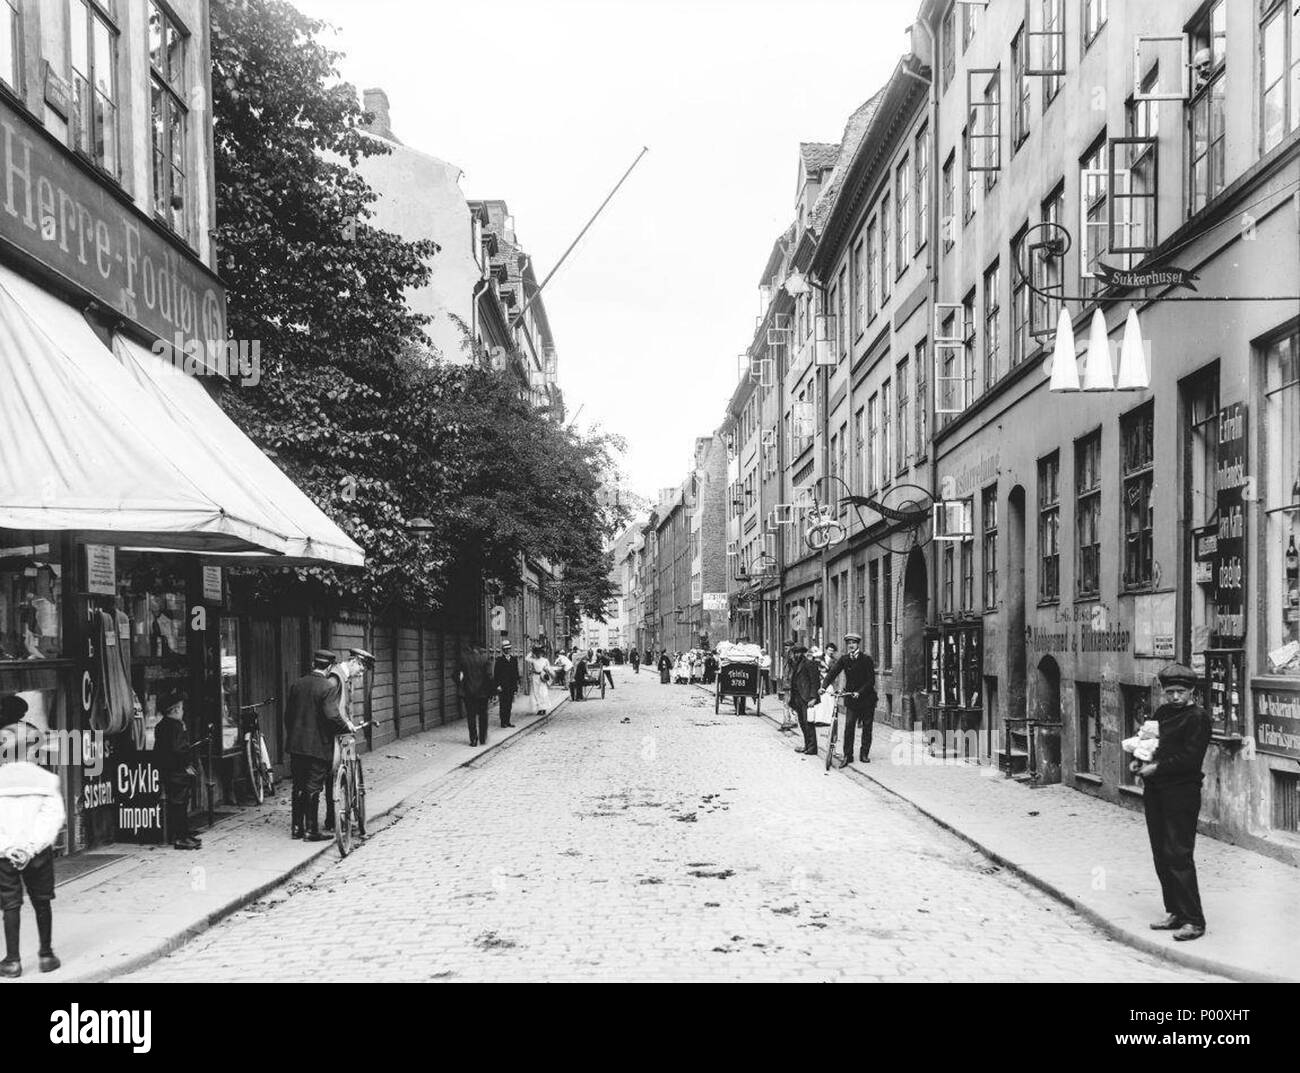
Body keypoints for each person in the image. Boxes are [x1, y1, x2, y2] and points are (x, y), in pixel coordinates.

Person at [1136, 664, 1213, 942]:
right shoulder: (1162, 713)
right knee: (1161, 853)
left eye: (1181, 691)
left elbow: (1190, 760)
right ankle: (1175, 912)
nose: (1176, 697)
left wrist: (1156, 768)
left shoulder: (1198, 718)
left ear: (1192, 690)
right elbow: (1150, 744)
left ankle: (1194, 920)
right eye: (1170, 692)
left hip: (1182, 792)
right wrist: (1139, 758)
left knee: (1178, 853)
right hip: (1156, 792)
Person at [0, 750, 64, 977]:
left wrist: (9, 848)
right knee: (42, 901)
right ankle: (46, 955)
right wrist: (29, 849)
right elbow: (53, 818)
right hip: (37, 853)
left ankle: (12, 961)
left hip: (5, 855)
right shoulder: (46, 779)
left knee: (10, 904)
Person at [284, 650, 353, 840]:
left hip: (297, 746)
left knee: (298, 785)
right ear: (329, 667)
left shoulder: (297, 684)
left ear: (314, 664)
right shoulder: (327, 687)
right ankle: (311, 830)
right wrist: (345, 726)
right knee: (314, 786)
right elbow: (331, 715)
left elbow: (288, 716)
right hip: (318, 746)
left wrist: (294, 736)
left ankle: (297, 828)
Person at [324, 648, 374, 833]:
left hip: (344, 733)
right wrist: (344, 724)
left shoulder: (345, 678)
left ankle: (339, 816)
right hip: (335, 735)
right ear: (354, 662)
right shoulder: (336, 678)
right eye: (360, 669)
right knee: (334, 773)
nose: (360, 674)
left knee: (342, 772)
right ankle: (333, 818)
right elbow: (332, 708)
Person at [153, 689, 202, 850]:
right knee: (180, 804)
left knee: (178, 804)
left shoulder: (161, 726)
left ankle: (183, 834)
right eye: (180, 708)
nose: (183, 711)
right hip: (177, 771)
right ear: (174, 710)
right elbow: (179, 748)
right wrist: (187, 765)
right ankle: (181, 837)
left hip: (167, 769)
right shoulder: (176, 726)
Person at [820, 633, 878, 767]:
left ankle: (864, 754)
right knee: (849, 727)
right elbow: (832, 672)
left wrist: (860, 692)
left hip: (867, 698)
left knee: (867, 727)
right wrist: (823, 687)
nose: (851, 645)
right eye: (849, 643)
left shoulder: (866, 659)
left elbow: (871, 680)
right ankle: (848, 756)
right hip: (851, 699)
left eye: (853, 643)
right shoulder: (844, 659)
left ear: (858, 644)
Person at [787, 644, 822, 755]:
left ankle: (812, 748)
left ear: (802, 653)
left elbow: (815, 682)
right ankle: (807, 745)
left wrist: (813, 698)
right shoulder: (795, 664)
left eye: (798, 653)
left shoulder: (809, 664)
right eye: (795, 653)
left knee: (808, 723)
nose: (796, 655)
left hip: (806, 698)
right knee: (802, 723)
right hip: (798, 697)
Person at [458, 641, 493, 746]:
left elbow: (456, 674)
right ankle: (483, 738)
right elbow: (489, 676)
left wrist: (462, 684)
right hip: (482, 692)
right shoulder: (486, 658)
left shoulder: (464, 658)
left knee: (471, 716)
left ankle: (473, 740)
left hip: (468, 692)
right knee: (483, 715)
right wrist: (490, 691)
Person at [494, 640, 521, 728]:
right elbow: (496, 674)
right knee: (503, 704)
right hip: (503, 686)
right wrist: (497, 685)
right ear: (503, 650)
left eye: (509, 649)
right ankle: (503, 722)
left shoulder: (514, 660)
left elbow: (516, 673)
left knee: (509, 704)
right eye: (506, 649)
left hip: (511, 685)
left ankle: (508, 721)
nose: (508, 650)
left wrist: (517, 685)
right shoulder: (499, 660)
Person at [529, 647, 554, 716]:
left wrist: (548, 672)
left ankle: (544, 708)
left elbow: (549, 668)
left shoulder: (545, 660)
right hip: (535, 677)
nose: (538, 654)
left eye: (540, 653)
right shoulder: (533, 660)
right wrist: (532, 651)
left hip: (542, 677)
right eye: (537, 653)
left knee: (543, 693)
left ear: (542, 653)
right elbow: (526, 658)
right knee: (536, 693)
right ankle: (539, 709)